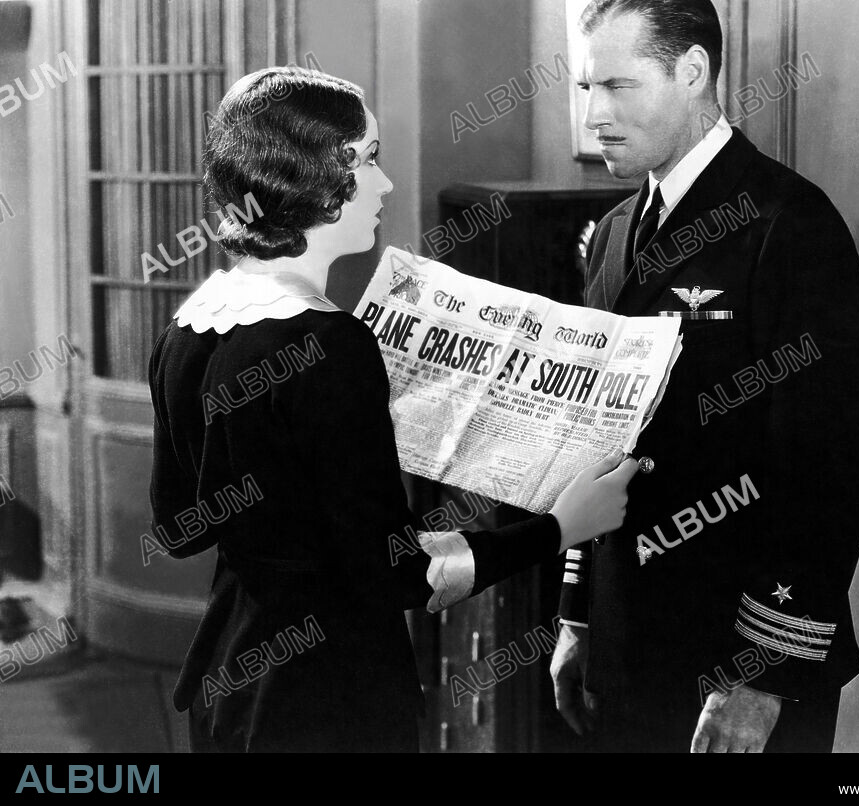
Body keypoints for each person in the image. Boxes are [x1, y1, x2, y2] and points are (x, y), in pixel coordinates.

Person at [148, 67, 638, 753]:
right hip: (330, 701)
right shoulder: (329, 342)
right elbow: (399, 574)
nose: (385, 185)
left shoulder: (189, 328)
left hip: (228, 683)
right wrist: (560, 527)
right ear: (317, 176)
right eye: (369, 159)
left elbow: (179, 529)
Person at [550, 0, 859, 753]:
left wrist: (760, 676)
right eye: (588, 88)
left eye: (620, 87)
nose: (597, 114)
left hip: (736, 658)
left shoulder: (789, 226)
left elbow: (826, 471)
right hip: (628, 644)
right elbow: (591, 437)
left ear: (692, 72)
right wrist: (577, 615)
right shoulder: (611, 238)